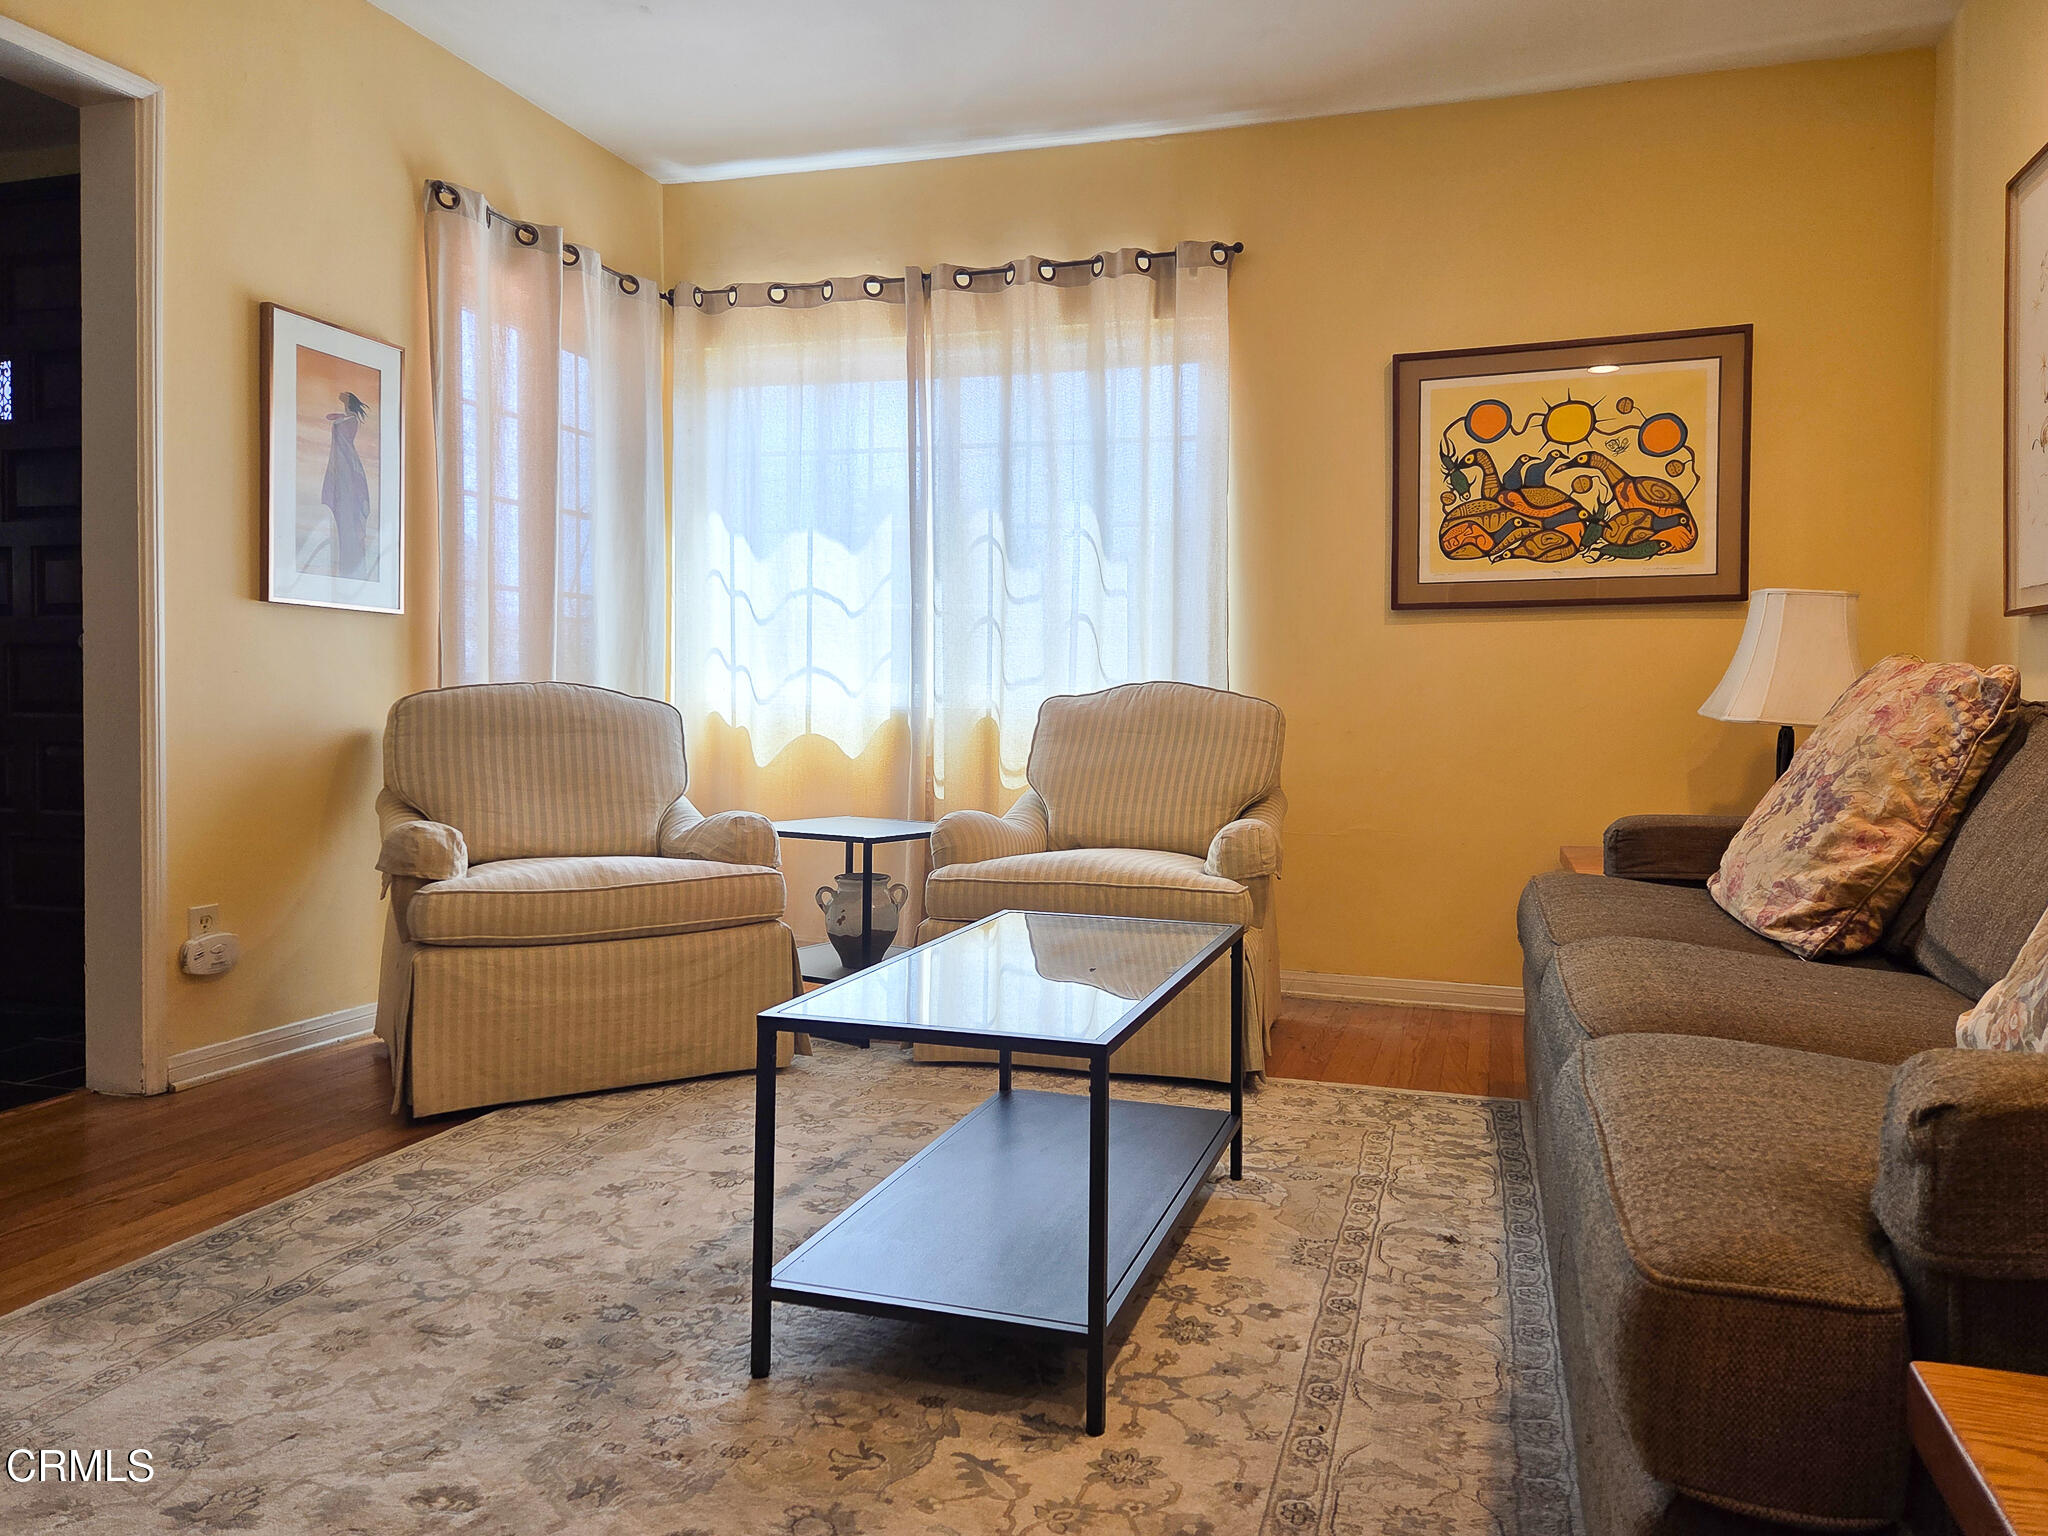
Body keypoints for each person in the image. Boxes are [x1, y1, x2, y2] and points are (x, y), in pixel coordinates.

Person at [321, 390, 373, 578]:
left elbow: (337, 425)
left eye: (345, 402)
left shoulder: (351, 421)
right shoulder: (345, 418)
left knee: (350, 514)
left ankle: (353, 563)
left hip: (347, 463)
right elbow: (330, 417)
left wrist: (340, 417)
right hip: (341, 464)